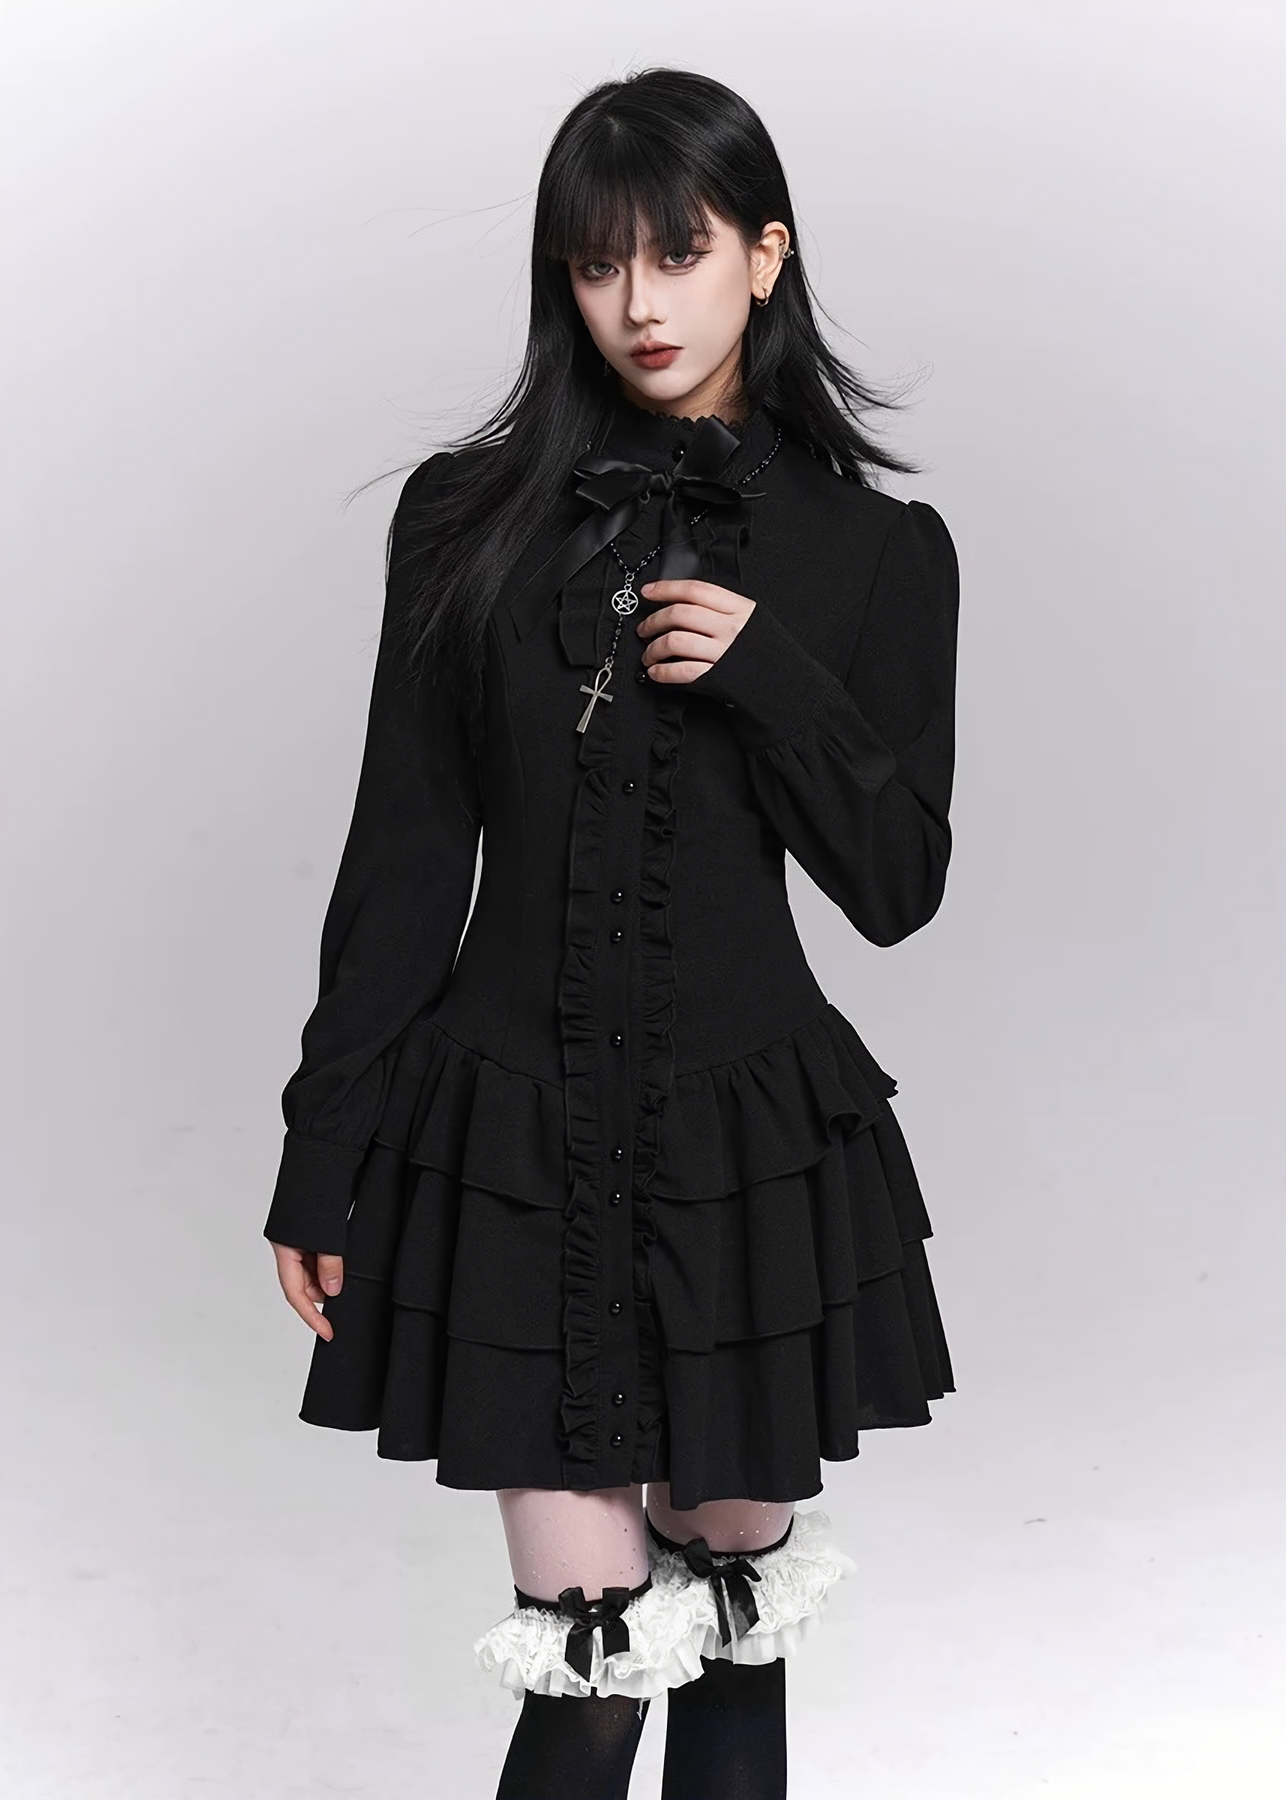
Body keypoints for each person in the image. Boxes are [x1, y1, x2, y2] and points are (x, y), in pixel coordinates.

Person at [264, 64, 960, 1800]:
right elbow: (404, 853)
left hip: (746, 1153)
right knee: (585, 1667)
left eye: (678, 252)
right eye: (595, 264)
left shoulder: (878, 551)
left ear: (764, 255)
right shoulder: (465, 517)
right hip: (514, 1143)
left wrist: (769, 674)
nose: (639, 302)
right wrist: (320, 1152)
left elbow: (896, 886)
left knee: (733, 1646)